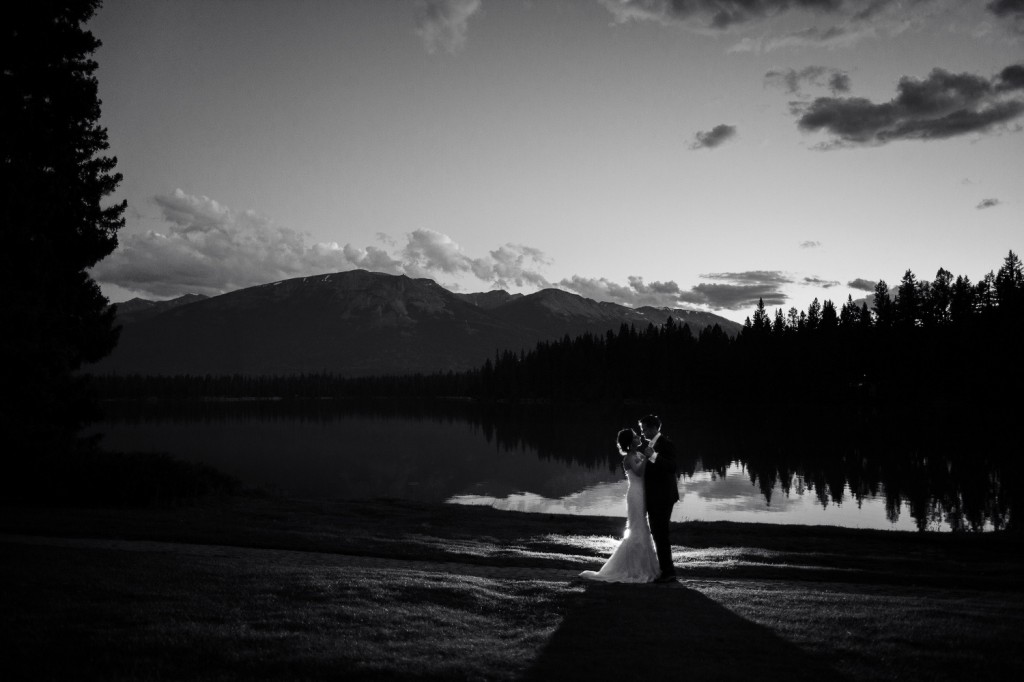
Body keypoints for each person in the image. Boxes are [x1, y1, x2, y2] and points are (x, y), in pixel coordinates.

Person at [579, 428, 661, 583]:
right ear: (631, 442)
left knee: (643, 527)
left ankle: (646, 566)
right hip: (636, 495)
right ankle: (633, 568)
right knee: (638, 527)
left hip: (643, 493)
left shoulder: (639, 454)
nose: (639, 438)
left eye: (637, 436)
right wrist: (647, 458)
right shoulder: (629, 458)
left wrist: (651, 457)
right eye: (636, 437)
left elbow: (650, 467)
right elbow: (638, 472)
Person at [639, 414, 679, 583]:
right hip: (654, 498)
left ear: (653, 428)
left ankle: (668, 572)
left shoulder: (666, 444)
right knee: (657, 533)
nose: (643, 432)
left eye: (644, 428)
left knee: (660, 534)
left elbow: (672, 467)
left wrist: (653, 456)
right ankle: (664, 570)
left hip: (663, 497)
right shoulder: (650, 445)